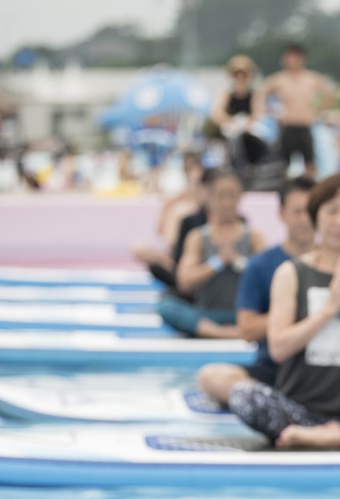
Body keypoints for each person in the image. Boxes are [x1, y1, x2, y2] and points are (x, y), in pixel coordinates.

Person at [228, 174, 340, 448]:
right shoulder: (291, 273)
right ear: (315, 216)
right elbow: (278, 348)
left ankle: (338, 434)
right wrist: (328, 310)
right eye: (332, 211)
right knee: (243, 396)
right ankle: (323, 433)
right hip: (299, 410)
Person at [197, 175, 317, 402]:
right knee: (211, 377)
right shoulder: (261, 264)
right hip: (275, 369)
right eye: (297, 212)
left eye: (310, 211)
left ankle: (279, 403)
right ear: (281, 214)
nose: (305, 220)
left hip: (327, 369)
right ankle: (274, 401)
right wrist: (309, 314)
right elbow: (247, 328)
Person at [159, 169, 266, 339]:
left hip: (244, 315)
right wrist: (218, 261)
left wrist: (238, 261)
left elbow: (266, 280)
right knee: (166, 307)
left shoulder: (254, 237)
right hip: (208, 316)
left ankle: (238, 330)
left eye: (231, 195)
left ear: (239, 197)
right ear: (210, 198)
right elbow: (184, 281)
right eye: (221, 196)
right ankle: (225, 333)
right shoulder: (198, 237)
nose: (226, 202)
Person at [256, 43, 334, 178]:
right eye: (289, 57)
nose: (292, 61)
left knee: (310, 163)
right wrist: (265, 113)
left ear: (302, 59)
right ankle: (285, 191)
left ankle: (310, 189)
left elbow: (329, 94)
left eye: (295, 57)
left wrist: (318, 112)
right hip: (287, 126)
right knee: (284, 163)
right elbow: (261, 94)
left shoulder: (311, 78)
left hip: (305, 125)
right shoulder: (279, 79)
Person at [131, 152, 205, 285]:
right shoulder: (177, 203)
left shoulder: (200, 208)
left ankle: (178, 268)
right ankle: (173, 266)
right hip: (175, 252)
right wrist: (167, 207)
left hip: (190, 255)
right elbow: (160, 233)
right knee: (136, 247)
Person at [210, 54, 269, 174]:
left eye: (243, 74)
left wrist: (247, 123)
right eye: (237, 75)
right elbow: (217, 113)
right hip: (231, 134)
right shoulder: (227, 95)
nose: (240, 78)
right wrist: (232, 122)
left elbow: (259, 113)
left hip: (250, 136)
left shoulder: (255, 95)